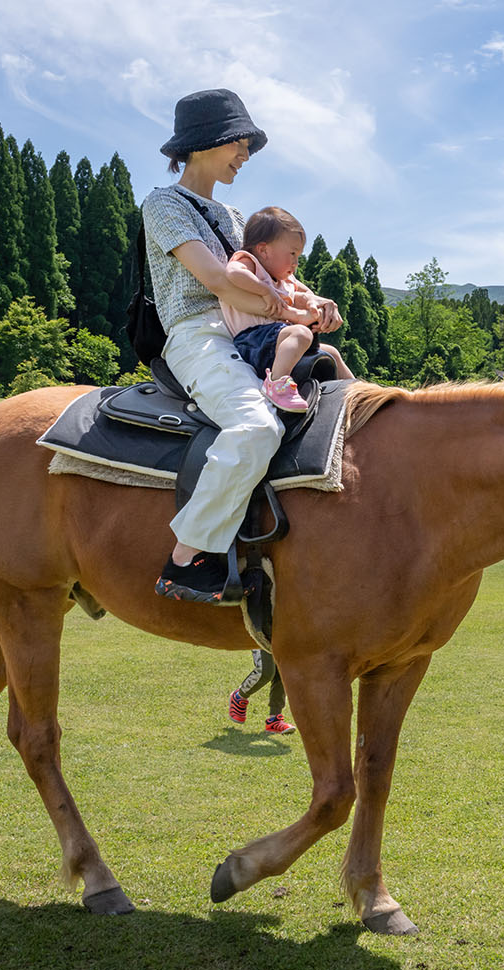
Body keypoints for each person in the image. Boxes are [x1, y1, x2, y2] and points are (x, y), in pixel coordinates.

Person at [140, 89, 342, 604]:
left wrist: (316, 302)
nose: (246, 156)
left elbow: (269, 274)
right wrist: (291, 313)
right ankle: (187, 558)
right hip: (198, 333)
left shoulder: (232, 215)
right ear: (207, 142)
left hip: (251, 334)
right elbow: (217, 280)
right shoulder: (164, 203)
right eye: (241, 144)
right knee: (255, 427)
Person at [221, 206, 356, 413]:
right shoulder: (251, 263)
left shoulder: (284, 279)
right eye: (292, 254)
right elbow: (233, 273)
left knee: (331, 353)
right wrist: (264, 290)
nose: (296, 262)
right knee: (301, 333)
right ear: (264, 250)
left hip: (277, 340)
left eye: (299, 256)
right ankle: (276, 384)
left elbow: (304, 294)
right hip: (251, 341)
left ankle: (358, 393)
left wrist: (312, 303)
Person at [227, 649, 296, 734]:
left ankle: (274, 720)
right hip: (260, 636)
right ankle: (239, 696)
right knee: (265, 671)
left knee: (282, 670)